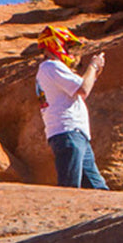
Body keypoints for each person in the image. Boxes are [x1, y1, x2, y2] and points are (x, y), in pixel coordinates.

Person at [35, 25, 109, 190]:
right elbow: (83, 90)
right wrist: (93, 66)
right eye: (67, 46)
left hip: (74, 134)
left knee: (97, 188)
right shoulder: (52, 66)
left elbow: (83, 86)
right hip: (68, 133)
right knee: (69, 188)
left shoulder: (48, 69)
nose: (69, 51)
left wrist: (95, 72)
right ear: (55, 43)